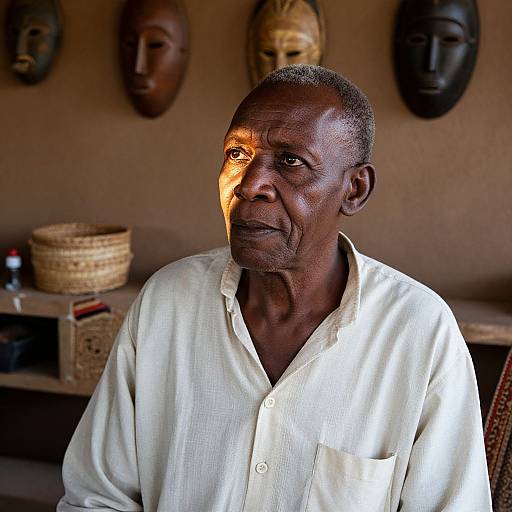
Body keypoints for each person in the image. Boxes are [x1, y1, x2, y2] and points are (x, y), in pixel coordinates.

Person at [58, 64, 491, 511]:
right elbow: (96, 498)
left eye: (291, 161)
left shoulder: (419, 331)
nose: (249, 185)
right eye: (237, 154)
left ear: (354, 190)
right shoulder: (166, 304)